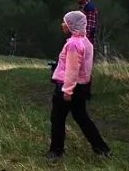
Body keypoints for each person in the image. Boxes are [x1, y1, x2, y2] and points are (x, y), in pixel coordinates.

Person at [47, 11, 110, 160]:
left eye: (65, 22)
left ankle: (56, 151)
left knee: (57, 118)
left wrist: (67, 91)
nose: (63, 25)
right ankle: (102, 149)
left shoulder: (74, 44)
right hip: (81, 86)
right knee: (82, 117)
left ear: (72, 25)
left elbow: (72, 69)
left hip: (67, 86)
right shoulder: (86, 42)